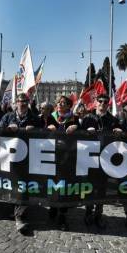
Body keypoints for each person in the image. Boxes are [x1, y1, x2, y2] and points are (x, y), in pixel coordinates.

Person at [0, 93, 42, 234]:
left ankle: (20, 217)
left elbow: (45, 134)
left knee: (23, 186)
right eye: (19, 101)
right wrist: (7, 129)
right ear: (15, 103)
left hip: (28, 158)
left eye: (25, 101)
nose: (22, 103)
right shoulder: (7, 117)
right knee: (12, 184)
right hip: (10, 157)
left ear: (28, 102)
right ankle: (14, 209)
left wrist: (35, 130)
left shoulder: (35, 118)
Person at [81, 93, 122, 229]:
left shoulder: (112, 119)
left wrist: (119, 132)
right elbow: (78, 135)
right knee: (89, 187)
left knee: (102, 188)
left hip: (106, 159)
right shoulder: (87, 117)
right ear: (96, 102)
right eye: (100, 101)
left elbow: (120, 138)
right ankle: (88, 211)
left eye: (105, 102)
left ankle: (99, 214)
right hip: (90, 157)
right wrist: (86, 131)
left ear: (108, 104)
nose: (103, 104)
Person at [48, 95, 79, 230]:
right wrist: (46, 128)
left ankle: (62, 214)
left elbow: (83, 134)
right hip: (51, 156)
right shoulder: (51, 117)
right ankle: (53, 205)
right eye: (59, 102)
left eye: (64, 103)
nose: (60, 104)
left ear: (69, 106)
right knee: (52, 182)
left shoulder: (75, 119)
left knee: (65, 185)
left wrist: (77, 128)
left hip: (68, 157)